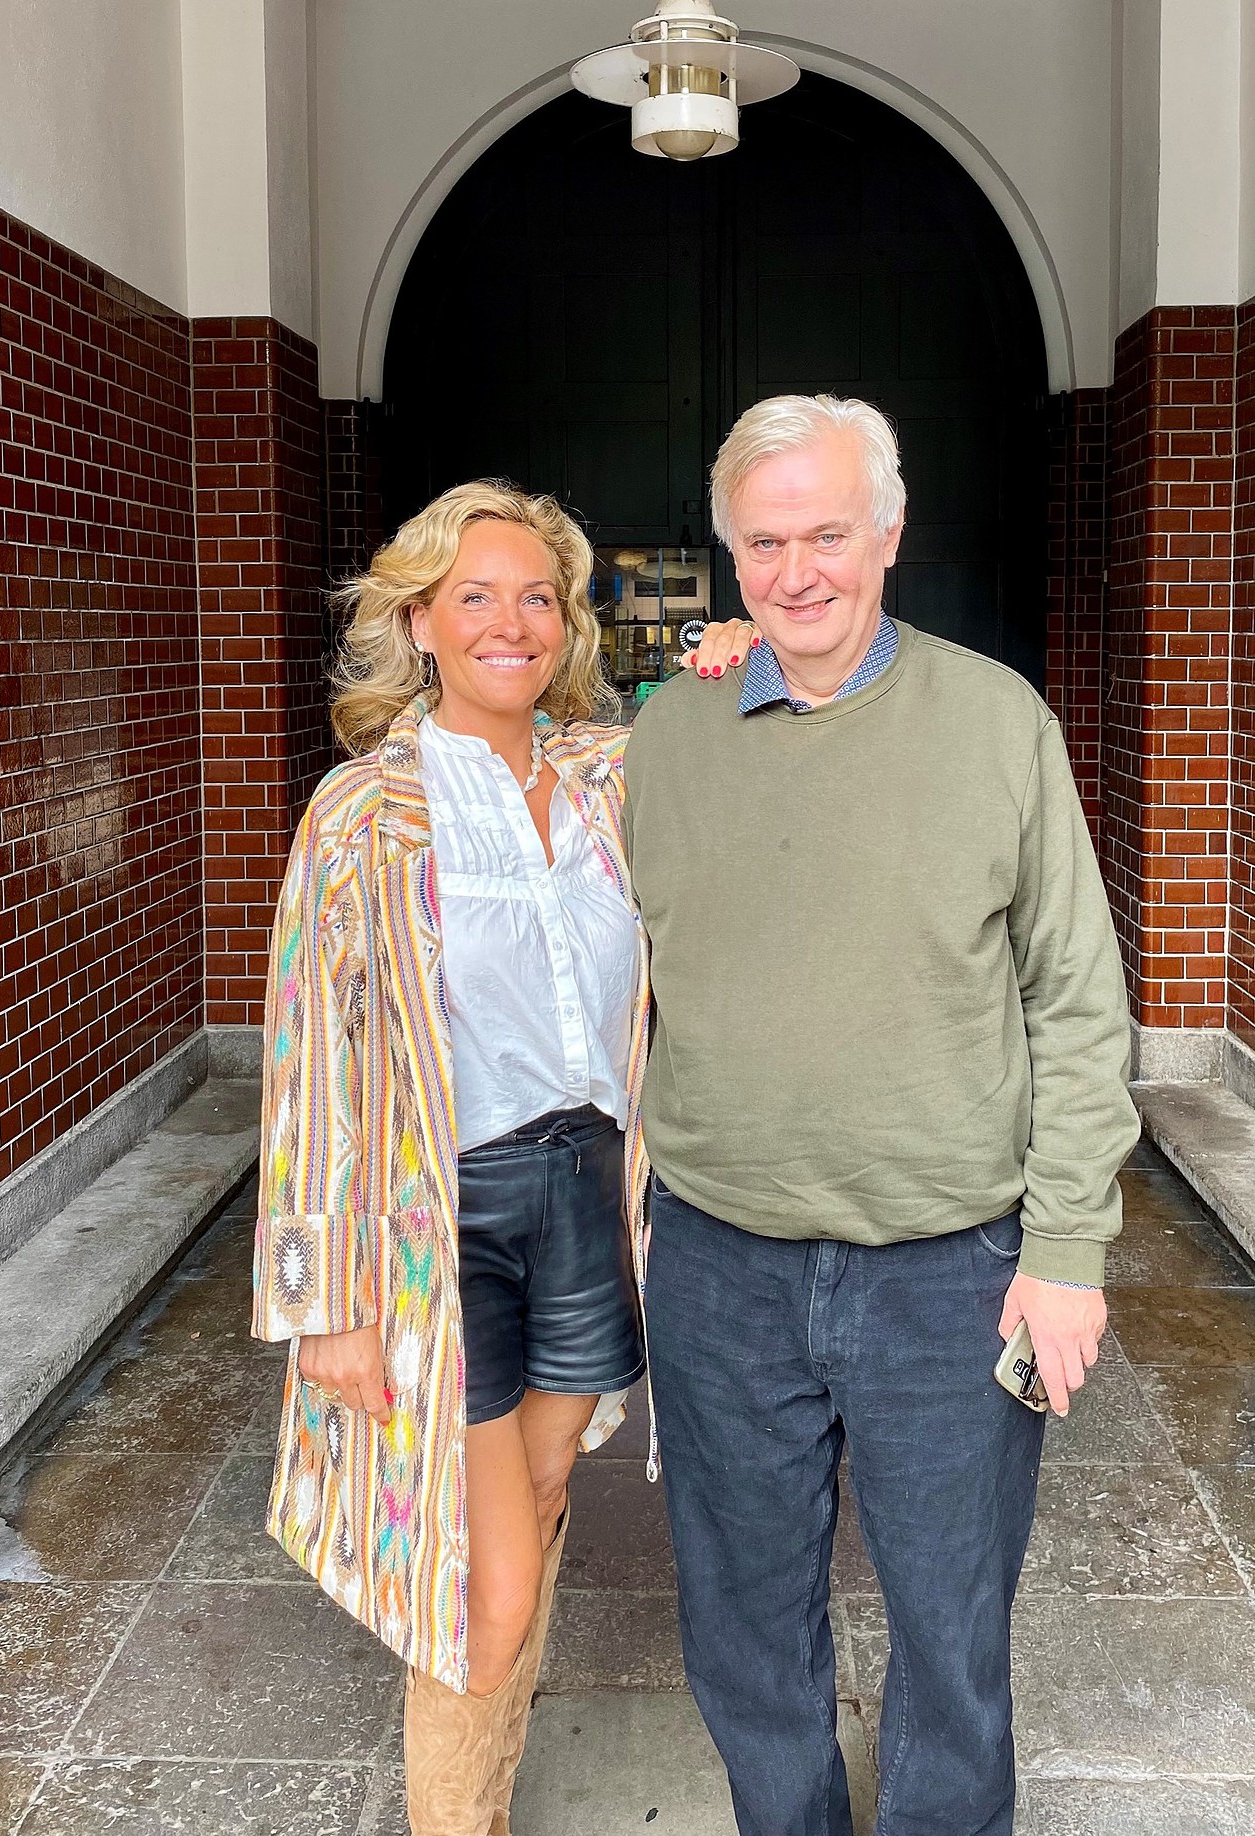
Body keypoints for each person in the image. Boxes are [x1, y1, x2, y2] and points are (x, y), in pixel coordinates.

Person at [623, 395, 1139, 1836]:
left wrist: (1069, 1250)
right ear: (730, 556)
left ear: (891, 532)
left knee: (953, 1631)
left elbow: (1078, 1005)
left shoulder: (998, 724)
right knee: (741, 1623)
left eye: (829, 534)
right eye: (765, 543)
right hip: (720, 1264)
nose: (798, 574)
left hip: (951, 1273)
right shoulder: (666, 737)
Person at [249, 480, 748, 1836]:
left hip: (588, 1200)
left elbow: (765, 745)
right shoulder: (363, 813)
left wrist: (737, 657)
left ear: (568, 625)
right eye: (475, 596)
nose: (511, 623)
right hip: (440, 1219)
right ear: (419, 621)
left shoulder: (606, 779)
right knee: (489, 1584)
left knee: (535, 1494)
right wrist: (319, 1299)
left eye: (538, 597)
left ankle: (485, 1800)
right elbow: (309, 1059)